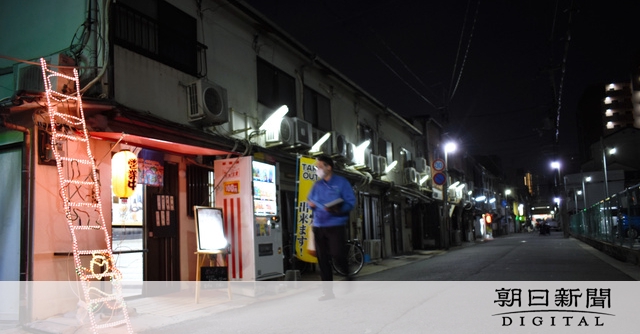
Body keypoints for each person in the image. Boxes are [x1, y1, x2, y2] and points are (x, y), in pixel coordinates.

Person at [307, 154, 356, 301]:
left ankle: (347, 274)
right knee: (323, 260)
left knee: (337, 254)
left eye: (320, 167)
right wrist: (312, 204)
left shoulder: (341, 183)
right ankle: (328, 293)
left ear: (329, 167)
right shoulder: (317, 185)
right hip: (319, 225)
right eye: (317, 167)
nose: (318, 170)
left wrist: (338, 208)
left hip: (335, 225)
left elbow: (350, 202)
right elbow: (310, 199)